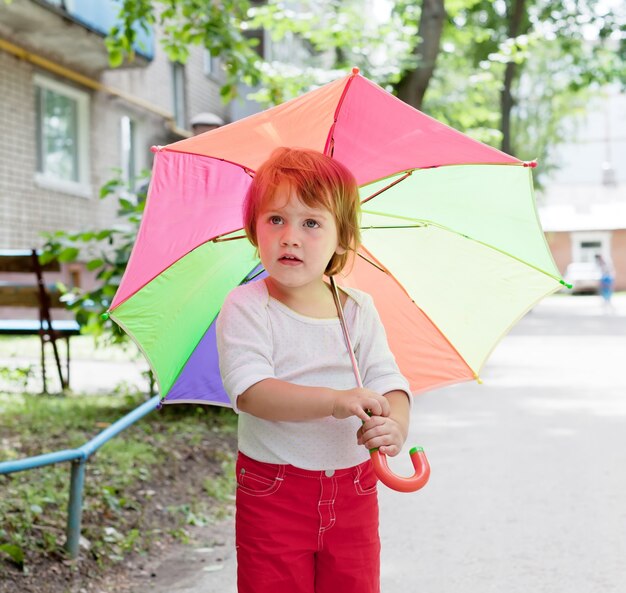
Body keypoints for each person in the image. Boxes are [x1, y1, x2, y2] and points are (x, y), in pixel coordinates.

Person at [215, 147, 412, 593]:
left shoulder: (358, 310)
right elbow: (252, 392)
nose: (290, 236)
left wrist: (395, 425)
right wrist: (335, 400)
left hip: (354, 487)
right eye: (276, 219)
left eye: (311, 223)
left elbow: (387, 380)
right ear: (254, 230)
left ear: (342, 238)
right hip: (274, 490)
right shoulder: (247, 306)